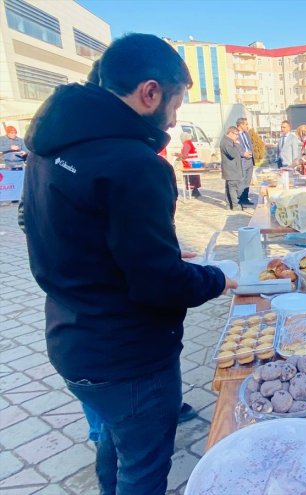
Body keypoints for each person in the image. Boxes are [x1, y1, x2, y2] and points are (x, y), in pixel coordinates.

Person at [21, 33, 238, 495]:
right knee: (142, 469)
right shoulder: (135, 163)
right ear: (150, 92)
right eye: (177, 105)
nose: (176, 121)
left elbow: (54, 229)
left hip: (70, 340)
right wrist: (217, 278)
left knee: (114, 444)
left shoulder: (49, 146)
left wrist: (144, 253)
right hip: (129, 356)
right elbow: (158, 284)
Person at [221, 126, 244, 210]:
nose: (237, 136)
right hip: (231, 169)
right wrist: (237, 145)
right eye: (236, 134)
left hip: (231, 169)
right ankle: (235, 205)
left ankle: (229, 204)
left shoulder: (228, 141)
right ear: (230, 133)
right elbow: (232, 154)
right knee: (233, 187)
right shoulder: (226, 142)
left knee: (229, 187)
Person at [177, 131, 202, 197]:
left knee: (191, 178)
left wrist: (177, 155)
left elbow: (184, 155)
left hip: (189, 165)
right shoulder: (190, 143)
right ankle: (195, 191)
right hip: (193, 164)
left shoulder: (186, 144)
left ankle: (195, 192)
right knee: (194, 178)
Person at [236, 117, 255, 206]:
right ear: (241, 125)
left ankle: (245, 198)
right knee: (241, 180)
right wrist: (243, 153)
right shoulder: (235, 134)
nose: (247, 126)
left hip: (250, 160)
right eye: (246, 124)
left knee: (247, 180)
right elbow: (235, 147)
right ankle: (240, 199)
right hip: (242, 160)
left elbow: (249, 145)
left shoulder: (246, 134)